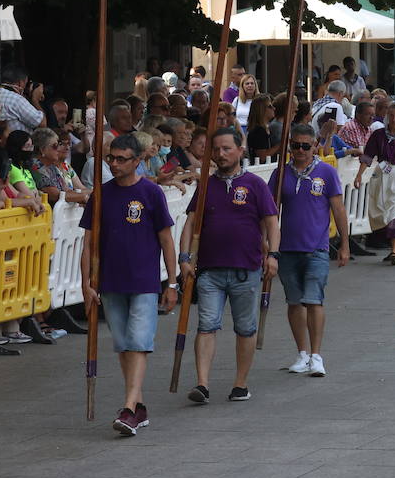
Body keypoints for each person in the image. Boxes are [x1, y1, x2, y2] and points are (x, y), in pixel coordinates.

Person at [79, 133, 178, 435]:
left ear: (137, 161)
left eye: (122, 159)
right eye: (111, 158)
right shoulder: (101, 194)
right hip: (110, 281)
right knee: (124, 346)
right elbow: (88, 242)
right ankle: (138, 404)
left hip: (144, 281)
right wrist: (86, 283)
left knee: (138, 343)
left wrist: (172, 282)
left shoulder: (150, 192)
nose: (115, 164)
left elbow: (165, 239)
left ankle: (128, 408)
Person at [179, 128, 280, 404]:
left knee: (245, 328)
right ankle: (202, 384)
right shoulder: (205, 185)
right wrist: (184, 258)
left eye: (226, 149)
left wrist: (274, 255)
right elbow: (190, 223)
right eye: (216, 150)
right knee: (206, 324)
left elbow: (272, 222)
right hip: (210, 269)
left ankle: (240, 383)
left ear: (239, 150)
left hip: (246, 269)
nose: (220, 154)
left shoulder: (255, 185)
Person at [267, 124, 349, 378]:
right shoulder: (280, 174)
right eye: (295, 145)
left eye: (305, 145)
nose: (300, 150)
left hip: (317, 248)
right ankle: (302, 353)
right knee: (294, 302)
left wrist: (344, 243)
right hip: (288, 248)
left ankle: (316, 355)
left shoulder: (326, 172)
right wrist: (268, 246)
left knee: (314, 300)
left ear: (315, 146)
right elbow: (270, 213)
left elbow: (338, 209)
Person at [355, 101, 395, 264]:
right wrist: (359, 175)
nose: (394, 119)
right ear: (386, 117)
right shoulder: (378, 135)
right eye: (391, 116)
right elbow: (368, 157)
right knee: (387, 212)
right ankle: (393, 247)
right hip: (384, 176)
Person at [0, 63, 45, 133]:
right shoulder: (16, 99)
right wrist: (35, 99)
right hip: (16, 143)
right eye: (26, 83)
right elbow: (42, 123)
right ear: (20, 83)